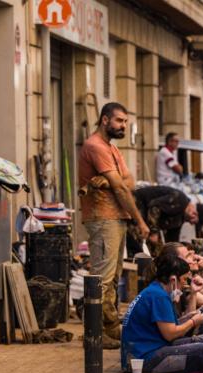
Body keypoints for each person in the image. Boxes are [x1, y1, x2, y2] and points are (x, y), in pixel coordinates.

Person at [77, 102, 150, 349]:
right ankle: (94, 334)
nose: (124, 126)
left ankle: (109, 328)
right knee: (102, 278)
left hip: (114, 218)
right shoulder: (95, 146)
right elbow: (121, 186)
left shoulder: (111, 148)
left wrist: (109, 182)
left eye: (125, 122)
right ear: (105, 120)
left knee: (113, 276)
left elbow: (129, 181)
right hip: (103, 217)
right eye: (120, 121)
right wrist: (140, 220)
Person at [121, 250, 203, 373]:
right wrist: (192, 321)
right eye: (184, 279)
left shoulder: (157, 291)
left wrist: (185, 319)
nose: (184, 284)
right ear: (173, 279)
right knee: (202, 350)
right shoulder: (158, 296)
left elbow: (164, 327)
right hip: (143, 359)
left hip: (149, 352)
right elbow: (170, 334)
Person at [129, 186, 202, 255]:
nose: (191, 222)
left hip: (147, 214)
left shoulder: (180, 218)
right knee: (138, 241)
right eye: (194, 214)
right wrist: (154, 232)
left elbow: (172, 239)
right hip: (138, 203)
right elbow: (154, 207)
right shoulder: (180, 200)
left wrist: (179, 251)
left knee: (157, 248)